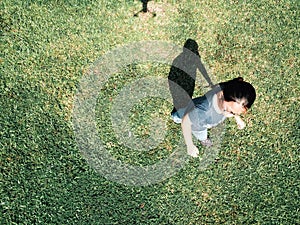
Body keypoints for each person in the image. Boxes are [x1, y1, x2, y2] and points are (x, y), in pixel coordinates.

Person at [173, 77, 256, 157]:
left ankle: (203, 138)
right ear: (221, 95)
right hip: (198, 124)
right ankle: (202, 138)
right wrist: (190, 145)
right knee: (198, 131)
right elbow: (186, 121)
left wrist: (237, 118)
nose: (228, 114)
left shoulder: (229, 89)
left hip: (204, 119)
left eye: (234, 113)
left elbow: (233, 108)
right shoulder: (203, 109)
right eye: (228, 110)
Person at [168, 39, 213, 122]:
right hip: (183, 84)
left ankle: (180, 117)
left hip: (185, 84)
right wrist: (209, 82)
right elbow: (202, 69)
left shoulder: (183, 58)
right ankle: (179, 117)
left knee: (183, 103)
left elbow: (201, 68)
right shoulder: (188, 58)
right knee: (183, 103)